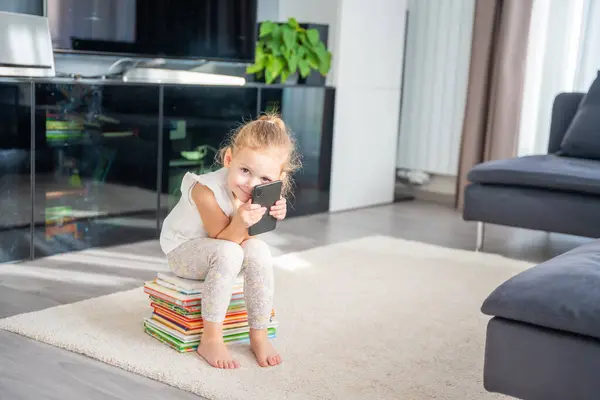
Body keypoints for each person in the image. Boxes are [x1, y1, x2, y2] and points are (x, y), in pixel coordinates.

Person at [159, 113, 300, 369]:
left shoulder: (257, 193)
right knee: (229, 253)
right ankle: (211, 338)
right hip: (183, 252)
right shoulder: (204, 190)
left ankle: (258, 334)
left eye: (265, 180)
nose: (251, 184)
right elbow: (223, 240)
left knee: (259, 249)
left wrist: (269, 215)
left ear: (277, 180)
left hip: (222, 249)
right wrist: (242, 221)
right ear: (228, 159)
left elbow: (247, 239)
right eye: (244, 170)